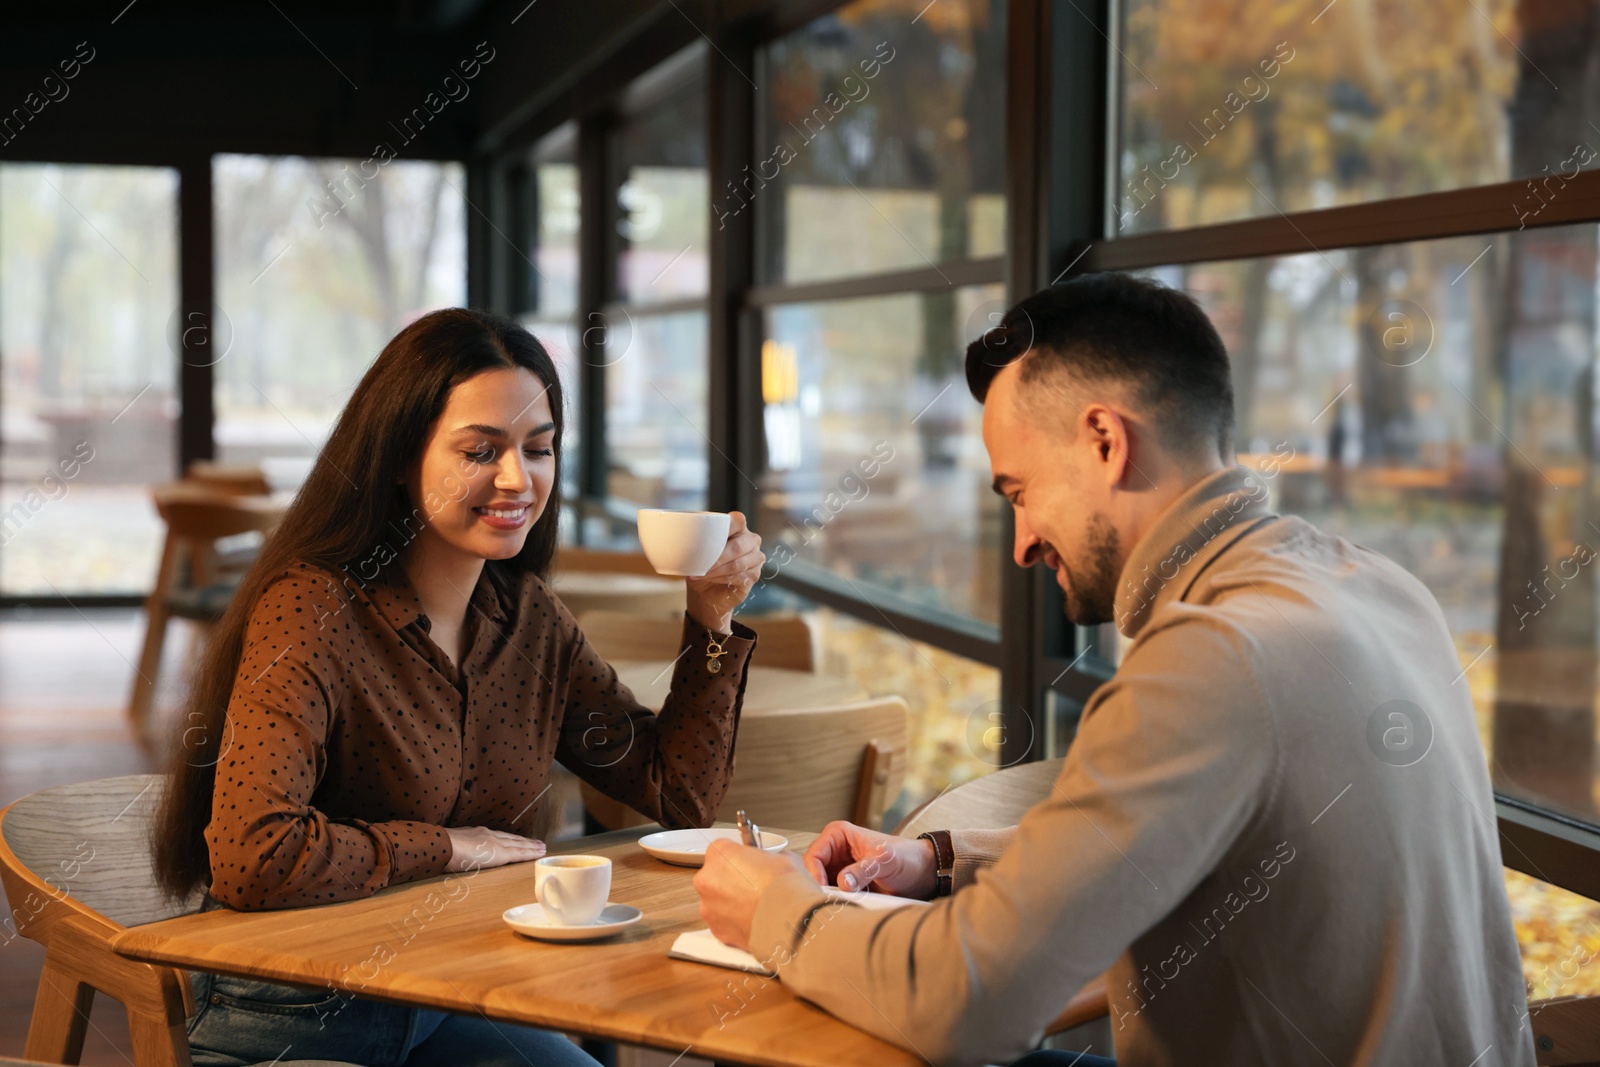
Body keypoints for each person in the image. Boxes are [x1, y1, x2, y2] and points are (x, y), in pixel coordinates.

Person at [693, 273, 1533, 1067]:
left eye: (1019, 491)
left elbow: (965, 1001)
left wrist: (772, 907)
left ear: (1104, 441)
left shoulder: (1213, 655)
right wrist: (944, 860)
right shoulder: (1379, 588)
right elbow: (1199, 829)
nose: (1022, 542)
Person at [154, 308, 765, 1067]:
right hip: (299, 1012)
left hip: (455, 994)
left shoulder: (530, 619)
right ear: (399, 454)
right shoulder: (311, 607)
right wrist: (445, 848)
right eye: (481, 450)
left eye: (538, 449)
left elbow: (678, 794)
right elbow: (252, 855)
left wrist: (711, 618)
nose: (518, 478)